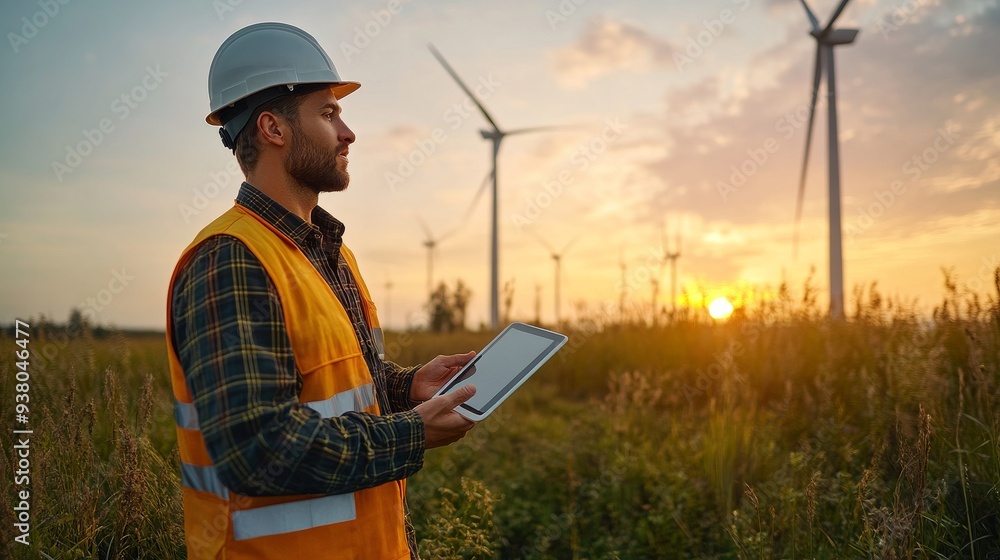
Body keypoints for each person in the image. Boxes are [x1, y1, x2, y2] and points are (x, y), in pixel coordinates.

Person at [166, 22, 478, 559]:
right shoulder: (231, 261)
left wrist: (406, 388)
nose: (348, 133)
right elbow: (259, 450)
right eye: (329, 114)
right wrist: (411, 433)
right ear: (273, 128)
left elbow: (330, 386)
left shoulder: (328, 251)